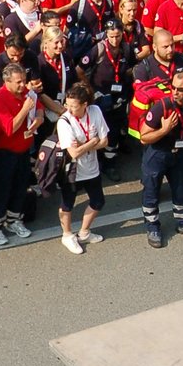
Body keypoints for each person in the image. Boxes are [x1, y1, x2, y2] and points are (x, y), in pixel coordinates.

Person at [139, 66, 183, 248]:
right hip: (157, 154)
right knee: (151, 191)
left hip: (180, 153)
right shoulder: (161, 107)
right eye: (174, 88)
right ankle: (152, 226)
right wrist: (164, 130)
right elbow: (144, 137)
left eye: (181, 89)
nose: (176, 92)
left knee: (181, 189)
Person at [0, 63, 40, 245]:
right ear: (6, 82)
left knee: (20, 186)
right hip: (4, 152)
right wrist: (25, 109)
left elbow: (38, 106)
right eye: (18, 82)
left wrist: (38, 117)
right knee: (2, 189)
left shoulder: (26, 94)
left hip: (23, 150)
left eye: (24, 81)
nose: (23, 85)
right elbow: (9, 128)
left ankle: (14, 219)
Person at [54, 82, 108, 254]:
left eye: (74, 107)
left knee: (98, 201)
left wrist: (85, 145)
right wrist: (92, 142)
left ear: (85, 105)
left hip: (91, 167)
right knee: (67, 203)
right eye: (67, 105)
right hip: (71, 170)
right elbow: (74, 153)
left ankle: (84, 232)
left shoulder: (95, 111)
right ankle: (67, 235)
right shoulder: (64, 122)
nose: (69, 110)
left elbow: (105, 141)